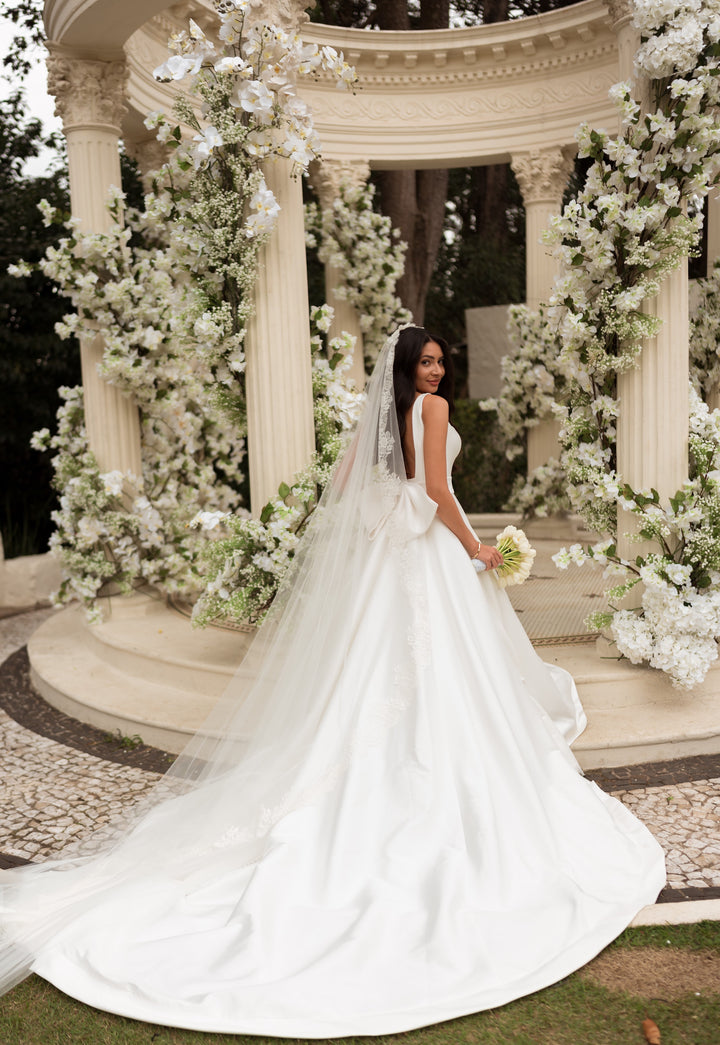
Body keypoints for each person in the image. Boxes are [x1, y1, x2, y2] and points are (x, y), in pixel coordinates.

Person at [0, 325, 665, 1037]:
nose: (437, 371)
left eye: (441, 360)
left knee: (378, 670)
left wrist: (391, 515)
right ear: (409, 367)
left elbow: (349, 483)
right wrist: (478, 546)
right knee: (439, 668)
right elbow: (438, 489)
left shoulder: (381, 416)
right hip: (432, 553)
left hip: (390, 560)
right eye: (428, 361)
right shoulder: (432, 413)